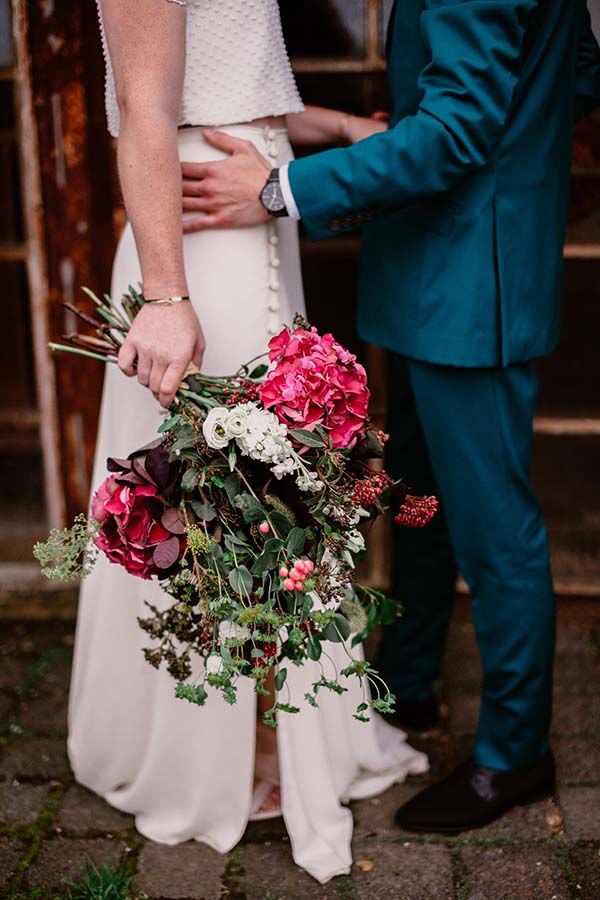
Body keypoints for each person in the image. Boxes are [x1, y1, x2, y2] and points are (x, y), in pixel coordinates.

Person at [178, 0, 600, 833]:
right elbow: (578, 72)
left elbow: (453, 134)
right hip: (438, 263)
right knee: (418, 496)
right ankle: (409, 683)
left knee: (493, 529)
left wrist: (277, 188)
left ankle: (516, 756)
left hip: (474, 283)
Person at [68, 0, 427, 886]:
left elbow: (237, 89)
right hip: (193, 236)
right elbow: (147, 103)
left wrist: (347, 126)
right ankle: (207, 752)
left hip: (245, 217)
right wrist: (164, 295)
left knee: (266, 498)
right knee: (212, 499)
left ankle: (263, 725)